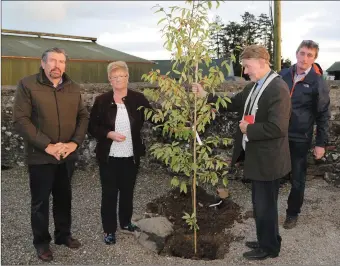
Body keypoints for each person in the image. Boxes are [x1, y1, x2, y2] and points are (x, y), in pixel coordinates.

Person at [192, 45, 291, 260]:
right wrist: (205, 96)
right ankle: (268, 239)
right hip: (259, 157)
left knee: (264, 206)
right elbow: (233, 102)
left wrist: (249, 129)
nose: (244, 71)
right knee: (263, 204)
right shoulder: (256, 86)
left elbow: (278, 128)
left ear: (262, 61)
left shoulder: (277, 89)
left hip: (268, 161)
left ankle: (269, 249)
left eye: (247, 66)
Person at [12, 47, 89, 262]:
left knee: (64, 197)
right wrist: (47, 146)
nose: (57, 66)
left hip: (67, 155)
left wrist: (74, 143)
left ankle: (63, 235)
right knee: (40, 202)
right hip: (41, 156)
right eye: (53, 61)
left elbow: (83, 117)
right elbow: (21, 120)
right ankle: (41, 243)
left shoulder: (73, 87)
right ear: (43, 63)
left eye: (62, 61)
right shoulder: (27, 85)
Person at [88, 61, 152, 245]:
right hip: (109, 156)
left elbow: (155, 117)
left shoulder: (138, 99)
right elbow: (92, 127)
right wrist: (108, 134)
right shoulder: (101, 100)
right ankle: (109, 230)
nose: (118, 79)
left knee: (127, 192)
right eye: (114, 77)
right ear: (109, 79)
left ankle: (125, 223)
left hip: (130, 156)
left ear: (127, 78)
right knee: (109, 194)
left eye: (122, 76)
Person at [279, 40, 330, 229]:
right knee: (272, 175)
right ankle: (265, 212)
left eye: (310, 55)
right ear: (296, 53)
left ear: (314, 58)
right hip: (277, 135)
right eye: (302, 53)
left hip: (300, 138)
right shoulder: (283, 75)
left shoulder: (317, 82)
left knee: (297, 178)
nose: (304, 58)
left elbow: (323, 114)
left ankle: (292, 213)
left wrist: (321, 143)